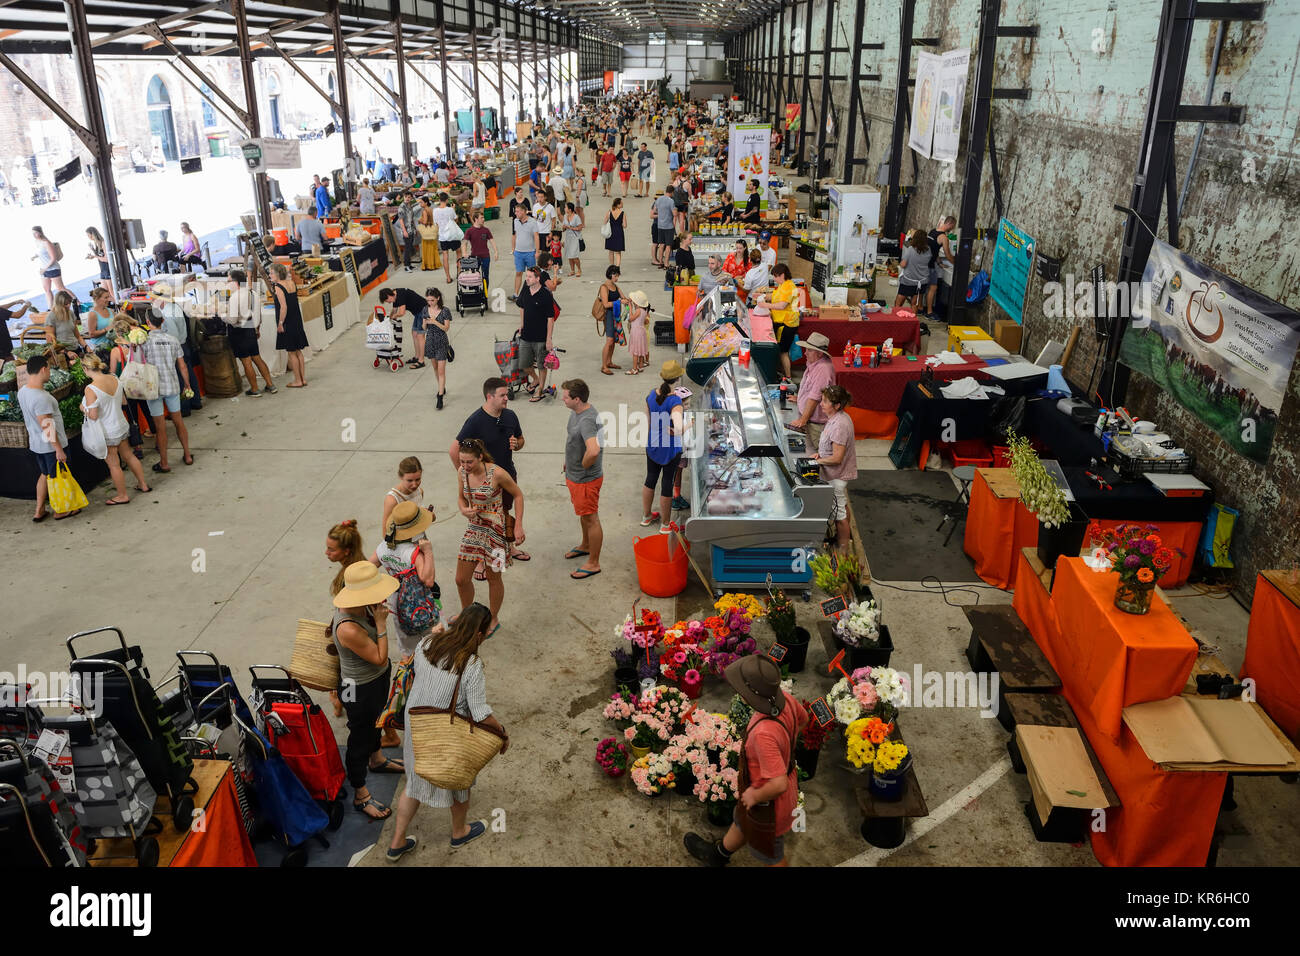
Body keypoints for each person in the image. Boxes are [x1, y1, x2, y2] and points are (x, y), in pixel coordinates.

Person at [384, 604, 507, 861]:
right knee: (459, 782)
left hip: (418, 723)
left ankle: (397, 842)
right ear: (480, 635)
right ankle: (459, 832)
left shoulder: (428, 642)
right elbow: (480, 712)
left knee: (414, 783)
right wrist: (501, 732)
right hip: (445, 730)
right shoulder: (470, 664)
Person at [684, 656, 806, 867]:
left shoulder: (764, 734)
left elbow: (778, 784)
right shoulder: (785, 698)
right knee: (742, 820)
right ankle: (718, 855)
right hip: (775, 784)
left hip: (769, 804)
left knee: (770, 851)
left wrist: (755, 794)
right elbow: (803, 720)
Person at [331, 562, 404, 821]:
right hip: (358, 689)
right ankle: (361, 794)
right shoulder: (348, 626)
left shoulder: (363, 607)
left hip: (374, 683)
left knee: (376, 723)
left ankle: (377, 759)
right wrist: (382, 624)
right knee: (359, 737)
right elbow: (380, 658)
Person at [451, 378, 530, 569]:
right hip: (485, 482)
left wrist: (517, 445)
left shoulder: (510, 416)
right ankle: (481, 559)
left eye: (506, 394)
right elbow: (454, 449)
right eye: (502, 395)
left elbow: (521, 439)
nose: (507, 398)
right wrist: (467, 475)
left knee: (503, 514)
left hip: (507, 475)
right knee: (484, 519)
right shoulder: (475, 421)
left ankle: (509, 547)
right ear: (490, 396)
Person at [455, 438, 525, 635]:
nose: (465, 466)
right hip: (475, 527)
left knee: (494, 578)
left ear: (480, 457)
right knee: (461, 579)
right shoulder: (462, 473)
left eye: (469, 462)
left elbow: (518, 495)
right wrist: (463, 509)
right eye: (462, 461)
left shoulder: (497, 473)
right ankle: (466, 614)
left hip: (496, 530)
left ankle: (493, 618)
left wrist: (518, 525)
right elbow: (461, 497)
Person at [79, 352, 150, 506]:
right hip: (121, 425)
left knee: (114, 465)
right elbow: (124, 402)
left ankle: (122, 495)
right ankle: (143, 484)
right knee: (130, 456)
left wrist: (83, 408)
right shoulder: (114, 378)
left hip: (107, 431)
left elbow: (93, 415)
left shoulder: (91, 389)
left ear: (85, 368)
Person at [371, 500, 438, 658]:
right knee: (434, 642)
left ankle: (408, 675)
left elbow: (369, 568)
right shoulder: (414, 553)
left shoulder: (382, 548)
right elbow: (427, 580)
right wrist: (428, 552)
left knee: (407, 647)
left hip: (398, 603)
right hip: (422, 603)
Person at [18, 355, 77, 522]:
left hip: (37, 444)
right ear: (43, 369)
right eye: (49, 368)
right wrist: (58, 449)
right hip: (51, 447)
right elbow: (47, 426)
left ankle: (39, 510)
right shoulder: (41, 398)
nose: (50, 372)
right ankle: (60, 511)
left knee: (45, 474)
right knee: (57, 478)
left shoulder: (23, 391)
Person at [561, 379, 604, 581]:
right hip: (576, 475)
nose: (562, 399)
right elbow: (574, 441)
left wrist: (583, 465)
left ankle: (593, 563)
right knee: (584, 515)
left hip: (585, 479)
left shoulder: (587, 420)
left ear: (577, 399)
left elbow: (593, 450)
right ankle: (586, 545)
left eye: (566, 396)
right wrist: (569, 462)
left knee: (591, 518)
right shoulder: (577, 412)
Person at [141, 311, 194, 472]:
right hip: (172, 385)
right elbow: (182, 366)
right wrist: (187, 385)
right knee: (179, 422)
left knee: (160, 427)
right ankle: (187, 455)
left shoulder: (145, 342)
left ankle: (164, 463)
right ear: (163, 321)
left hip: (153, 388)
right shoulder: (173, 340)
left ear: (147, 322)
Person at [813, 384, 859, 551]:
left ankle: (843, 550)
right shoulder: (837, 418)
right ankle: (845, 540)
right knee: (842, 506)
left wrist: (818, 462)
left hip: (835, 476)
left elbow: (838, 458)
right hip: (835, 473)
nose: (821, 404)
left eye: (825, 401)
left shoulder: (839, 425)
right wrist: (820, 455)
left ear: (837, 405)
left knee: (839, 517)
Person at [642, 360, 685, 530]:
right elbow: (679, 428)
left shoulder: (651, 395)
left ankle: (646, 516)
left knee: (650, 479)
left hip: (652, 444)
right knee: (667, 483)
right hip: (669, 449)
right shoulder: (675, 402)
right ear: (678, 379)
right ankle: (665, 524)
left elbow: (649, 421)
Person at [225, 270, 276, 397]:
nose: (227, 283)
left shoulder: (235, 297)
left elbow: (232, 320)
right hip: (251, 329)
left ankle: (254, 389)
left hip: (239, 331)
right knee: (257, 357)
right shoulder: (252, 293)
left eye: (229, 281)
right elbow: (258, 313)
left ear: (235, 282)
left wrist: (221, 316)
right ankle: (270, 384)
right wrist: (257, 329)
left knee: (246, 361)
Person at [788, 332, 836, 450]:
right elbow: (808, 388)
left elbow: (815, 397)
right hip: (810, 420)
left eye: (809, 350)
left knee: (817, 453)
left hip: (816, 425)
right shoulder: (814, 363)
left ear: (819, 353)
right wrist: (799, 398)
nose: (805, 353)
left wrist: (802, 420)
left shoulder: (823, 369)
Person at [515, 266, 556, 401]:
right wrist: (522, 324)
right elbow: (521, 306)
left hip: (540, 338)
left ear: (538, 279)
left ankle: (540, 391)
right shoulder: (526, 290)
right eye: (526, 276)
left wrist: (549, 338)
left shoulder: (546, 295)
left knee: (541, 365)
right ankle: (536, 379)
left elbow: (551, 318)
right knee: (524, 365)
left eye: (530, 277)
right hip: (526, 336)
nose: (527, 279)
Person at [270, 263, 309, 387]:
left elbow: (284, 307)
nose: (270, 275)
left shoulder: (278, 287)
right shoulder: (291, 283)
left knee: (292, 352)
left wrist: (281, 323)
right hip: (297, 319)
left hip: (288, 321)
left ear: (277, 274)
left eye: (271, 273)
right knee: (299, 351)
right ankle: (303, 379)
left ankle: (297, 380)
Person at [757, 263, 799, 378]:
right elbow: (775, 297)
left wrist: (765, 305)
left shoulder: (789, 287)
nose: (774, 279)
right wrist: (763, 296)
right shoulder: (783, 285)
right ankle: (782, 373)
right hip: (781, 321)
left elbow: (781, 305)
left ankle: (788, 377)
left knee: (783, 352)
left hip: (788, 324)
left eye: (776, 276)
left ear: (783, 275)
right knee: (780, 351)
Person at [381, 455, 428, 538]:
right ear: (400, 477)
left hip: (420, 538)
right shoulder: (392, 500)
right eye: (409, 480)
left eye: (418, 479)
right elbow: (386, 531)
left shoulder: (420, 492)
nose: (414, 485)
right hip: (402, 545)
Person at [422, 288, 453, 409]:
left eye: (432, 300)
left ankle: (440, 396)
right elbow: (424, 328)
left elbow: (446, 328)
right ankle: (442, 387)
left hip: (441, 341)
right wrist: (425, 322)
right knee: (435, 368)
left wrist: (435, 322)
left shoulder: (445, 311)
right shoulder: (425, 309)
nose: (430, 302)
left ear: (438, 298)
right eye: (428, 300)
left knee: (441, 371)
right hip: (430, 340)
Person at [378, 287, 425, 366]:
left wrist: (394, 316)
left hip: (423, 311)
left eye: (387, 300)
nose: (388, 302)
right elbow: (394, 310)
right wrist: (388, 318)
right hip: (417, 313)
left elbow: (402, 312)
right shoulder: (395, 296)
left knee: (420, 336)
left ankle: (421, 361)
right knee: (414, 334)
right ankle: (417, 357)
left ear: (389, 296)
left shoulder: (400, 296)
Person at [925, 215, 956, 319]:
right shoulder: (944, 237)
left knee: (923, 288)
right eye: (953, 226)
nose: (952, 229)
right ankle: (929, 312)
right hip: (930, 265)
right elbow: (948, 255)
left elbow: (933, 250)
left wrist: (939, 262)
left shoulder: (932, 231)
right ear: (950, 224)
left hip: (924, 262)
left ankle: (920, 308)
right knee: (933, 287)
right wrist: (957, 265)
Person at [511, 201, 543, 298]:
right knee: (518, 272)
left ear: (524, 211)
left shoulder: (532, 222)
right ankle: (516, 294)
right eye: (515, 211)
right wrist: (513, 248)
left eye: (518, 211)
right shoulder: (515, 221)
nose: (516, 213)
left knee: (532, 275)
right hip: (518, 252)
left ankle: (534, 293)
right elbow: (515, 235)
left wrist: (537, 251)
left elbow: (536, 236)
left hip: (530, 253)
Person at [597, 265, 622, 376]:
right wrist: (619, 302)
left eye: (617, 276)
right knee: (609, 341)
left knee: (613, 341)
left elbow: (623, 297)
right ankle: (604, 366)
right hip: (608, 315)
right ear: (611, 275)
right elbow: (606, 304)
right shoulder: (604, 287)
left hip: (615, 315)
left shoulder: (615, 286)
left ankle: (609, 361)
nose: (617, 278)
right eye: (615, 276)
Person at [896, 228, 931, 310]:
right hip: (922, 281)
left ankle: (896, 320)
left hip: (908, 281)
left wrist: (900, 263)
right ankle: (912, 321)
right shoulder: (928, 250)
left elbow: (903, 265)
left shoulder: (911, 249)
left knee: (898, 303)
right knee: (914, 304)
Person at [461, 210, 497, 289]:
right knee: (474, 276)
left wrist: (496, 252)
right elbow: (464, 242)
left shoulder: (486, 230)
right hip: (474, 257)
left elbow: (492, 240)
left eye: (483, 217)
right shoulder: (469, 231)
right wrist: (464, 252)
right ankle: (476, 291)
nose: (483, 219)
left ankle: (485, 293)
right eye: (481, 218)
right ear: (476, 219)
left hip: (485, 257)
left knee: (485, 276)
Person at [32, 226, 69, 301]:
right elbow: (42, 253)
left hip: (53, 269)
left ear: (40, 232)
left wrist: (44, 269)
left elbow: (53, 258)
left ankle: (78, 303)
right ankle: (50, 309)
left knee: (61, 289)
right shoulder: (37, 242)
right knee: (47, 290)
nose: (34, 235)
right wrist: (35, 256)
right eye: (33, 233)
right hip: (43, 270)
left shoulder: (47, 243)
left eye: (36, 233)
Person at [433, 193, 460, 284]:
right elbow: (455, 220)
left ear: (439, 200)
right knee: (458, 253)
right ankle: (459, 274)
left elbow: (436, 224)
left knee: (445, 256)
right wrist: (454, 209)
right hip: (452, 235)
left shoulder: (435, 210)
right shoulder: (450, 209)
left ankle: (448, 278)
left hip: (443, 236)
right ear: (447, 200)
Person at [625, 289, 650, 375]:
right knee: (640, 349)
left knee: (635, 351)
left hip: (636, 332)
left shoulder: (638, 311)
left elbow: (631, 319)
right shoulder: (644, 311)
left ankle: (634, 368)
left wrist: (630, 308)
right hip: (641, 331)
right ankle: (641, 365)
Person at [652, 188, 676, 268]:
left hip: (660, 225)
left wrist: (661, 214)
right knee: (668, 246)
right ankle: (666, 263)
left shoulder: (658, 200)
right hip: (669, 226)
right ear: (672, 192)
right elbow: (674, 214)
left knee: (661, 245)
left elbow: (654, 211)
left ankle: (660, 262)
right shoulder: (671, 201)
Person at [85, 227, 112, 294]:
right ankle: (118, 304)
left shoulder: (103, 243)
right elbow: (100, 256)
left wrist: (95, 256)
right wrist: (93, 250)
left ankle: (122, 304)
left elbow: (106, 259)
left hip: (108, 270)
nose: (88, 237)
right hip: (103, 270)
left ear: (93, 234)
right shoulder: (97, 244)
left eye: (88, 235)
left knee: (112, 293)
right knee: (104, 294)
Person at [562, 201, 584, 278]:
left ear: (570, 209)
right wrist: (564, 228)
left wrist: (571, 228)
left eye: (566, 207)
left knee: (574, 255)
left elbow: (580, 227)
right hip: (568, 238)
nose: (564, 209)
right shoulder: (565, 216)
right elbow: (563, 228)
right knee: (569, 255)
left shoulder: (576, 217)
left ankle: (579, 269)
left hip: (575, 238)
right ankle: (572, 270)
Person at [605, 197, 627, 268]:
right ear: (618, 204)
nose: (622, 204)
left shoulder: (609, 212)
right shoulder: (622, 213)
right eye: (621, 203)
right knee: (618, 252)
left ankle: (612, 267)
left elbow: (605, 222)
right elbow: (625, 225)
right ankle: (617, 267)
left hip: (611, 232)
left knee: (611, 251)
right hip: (619, 232)